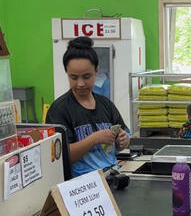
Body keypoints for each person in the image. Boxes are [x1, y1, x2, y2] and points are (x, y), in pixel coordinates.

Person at [45, 37, 130, 177]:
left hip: (112, 176)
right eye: (73, 77)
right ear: (67, 73)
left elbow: (124, 137)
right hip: (81, 186)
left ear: (97, 71)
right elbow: (61, 156)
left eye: (86, 76)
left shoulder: (105, 104)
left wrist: (124, 140)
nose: (80, 83)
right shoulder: (59, 110)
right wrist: (94, 139)